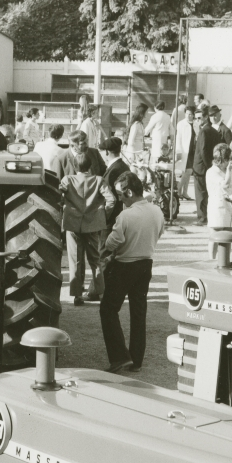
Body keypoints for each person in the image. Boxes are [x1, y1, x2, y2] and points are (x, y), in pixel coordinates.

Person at [99, 172, 164, 374]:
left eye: (120, 195)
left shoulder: (125, 215)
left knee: (108, 309)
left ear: (128, 192)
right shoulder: (157, 211)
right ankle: (136, 360)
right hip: (146, 264)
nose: (120, 200)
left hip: (124, 266)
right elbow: (159, 232)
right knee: (138, 312)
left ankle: (119, 357)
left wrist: (107, 246)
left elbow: (113, 242)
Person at [61, 153, 115, 304]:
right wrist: (101, 216)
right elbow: (111, 200)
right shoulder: (98, 180)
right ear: (90, 166)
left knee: (75, 261)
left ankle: (77, 296)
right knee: (95, 261)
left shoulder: (67, 180)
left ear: (74, 166)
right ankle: (101, 293)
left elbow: (59, 195)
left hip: (72, 225)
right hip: (92, 226)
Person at [191, 106, 221, 226]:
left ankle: (202, 217)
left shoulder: (204, 131)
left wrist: (209, 165)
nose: (197, 120)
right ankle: (205, 215)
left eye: (199, 118)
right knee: (206, 192)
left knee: (201, 193)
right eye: (196, 118)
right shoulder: (213, 130)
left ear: (206, 117)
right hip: (207, 165)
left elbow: (203, 150)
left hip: (202, 167)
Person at [206, 144, 232, 258]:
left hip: (229, 208)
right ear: (223, 160)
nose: (230, 161)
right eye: (229, 159)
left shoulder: (226, 170)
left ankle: (225, 261)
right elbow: (225, 184)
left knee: (228, 238)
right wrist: (229, 170)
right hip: (217, 209)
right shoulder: (212, 171)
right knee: (215, 237)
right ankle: (211, 260)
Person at [100, 136, 130, 229]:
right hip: (120, 216)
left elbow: (111, 196)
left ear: (106, 152)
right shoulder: (123, 166)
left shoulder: (114, 170)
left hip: (112, 219)